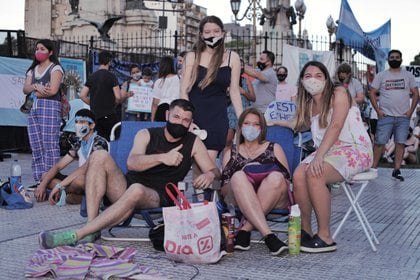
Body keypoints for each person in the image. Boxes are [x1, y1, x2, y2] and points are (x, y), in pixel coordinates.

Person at [38, 99, 221, 249]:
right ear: (167, 115)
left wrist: (210, 175)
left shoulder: (193, 142)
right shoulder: (146, 134)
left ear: (190, 123)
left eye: (185, 120)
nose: (180, 122)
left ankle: (78, 234)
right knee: (99, 155)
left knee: (137, 190)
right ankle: (92, 226)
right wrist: (163, 157)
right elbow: (132, 163)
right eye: (176, 117)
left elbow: (215, 171)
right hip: (125, 187)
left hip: (159, 196)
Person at [271, 61, 373, 253]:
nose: (313, 80)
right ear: (302, 81)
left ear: (326, 79)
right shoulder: (308, 104)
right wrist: (270, 120)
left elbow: (335, 125)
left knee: (315, 173)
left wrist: (319, 157)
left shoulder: (338, 93)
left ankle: (325, 236)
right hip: (328, 151)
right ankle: (306, 231)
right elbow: (296, 124)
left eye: (318, 76)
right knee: (299, 174)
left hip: (353, 149)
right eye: (308, 76)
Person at [221, 108, 290, 255]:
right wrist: (243, 176)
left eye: (256, 124)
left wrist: (261, 170)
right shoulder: (231, 153)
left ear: (262, 128)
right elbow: (224, 188)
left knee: (276, 177)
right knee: (239, 176)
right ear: (240, 127)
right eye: (247, 123)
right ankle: (269, 236)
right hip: (240, 198)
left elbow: (287, 181)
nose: (251, 127)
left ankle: (245, 231)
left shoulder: (274, 148)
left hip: (274, 196)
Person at [180, 15, 243, 163]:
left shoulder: (232, 58)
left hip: (217, 118)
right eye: (207, 32)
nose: (212, 35)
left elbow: (234, 91)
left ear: (222, 33)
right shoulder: (191, 57)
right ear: (201, 35)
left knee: (207, 162)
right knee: (196, 164)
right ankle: (203, 187)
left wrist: (242, 119)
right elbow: (183, 91)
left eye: (216, 31)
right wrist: (187, 119)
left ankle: (208, 186)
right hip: (194, 116)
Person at [34, 109, 109, 204]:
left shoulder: (99, 142)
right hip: (79, 179)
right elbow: (58, 166)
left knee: (79, 180)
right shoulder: (80, 143)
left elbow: (84, 169)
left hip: (97, 180)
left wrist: (59, 186)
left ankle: (63, 193)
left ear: (92, 125)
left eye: (82, 122)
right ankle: (73, 196)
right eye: (76, 122)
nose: (78, 125)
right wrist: (42, 185)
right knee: (45, 176)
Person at [369, 49, 419, 181]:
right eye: (392, 57)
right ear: (388, 60)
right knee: (379, 142)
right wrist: (378, 110)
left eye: (397, 57)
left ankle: (396, 170)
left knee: (400, 143)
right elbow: (372, 92)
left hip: (403, 117)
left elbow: (416, 93)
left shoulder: (408, 76)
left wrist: (410, 111)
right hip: (386, 116)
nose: (394, 59)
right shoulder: (381, 75)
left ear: (401, 60)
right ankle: (373, 168)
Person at [22, 39, 64, 187]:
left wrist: (35, 91)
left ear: (50, 52)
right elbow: (25, 89)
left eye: (42, 49)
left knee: (49, 143)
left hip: (50, 107)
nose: (38, 51)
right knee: (36, 144)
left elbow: (52, 90)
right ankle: (39, 179)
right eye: (37, 49)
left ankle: (50, 180)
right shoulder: (32, 70)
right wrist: (36, 86)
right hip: (33, 108)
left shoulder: (55, 68)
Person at [80, 51, 126, 141]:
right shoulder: (111, 76)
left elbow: (82, 95)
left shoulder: (92, 76)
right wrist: (114, 104)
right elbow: (118, 97)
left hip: (95, 115)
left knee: (99, 140)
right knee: (114, 137)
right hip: (109, 114)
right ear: (110, 61)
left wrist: (93, 103)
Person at [226, 60, 255, 147]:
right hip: (230, 112)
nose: (241, 67)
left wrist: (244, 92)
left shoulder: (246, 81)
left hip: (244, 111)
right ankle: (226, 157)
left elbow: (253, 98)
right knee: (228, 139)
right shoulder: (227, 81)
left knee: (243, 139)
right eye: (239, 65)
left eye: (242, 66)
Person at [151, 56, 180, 121]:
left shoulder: (158, 82)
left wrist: (152, 120)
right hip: (176, 109)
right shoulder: (179, 79)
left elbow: (155, 103)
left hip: (161, 110)